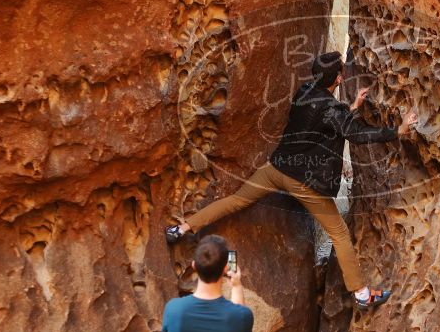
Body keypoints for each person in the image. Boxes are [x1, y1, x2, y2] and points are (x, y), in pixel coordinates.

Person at [165, 51, 418, 310]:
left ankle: (182, 228)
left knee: (237, 200)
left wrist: (351, 108)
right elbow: (355, 134)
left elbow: (328, 122)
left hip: (276, 169)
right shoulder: (333, 109)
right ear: (339, 79)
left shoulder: (303, 92)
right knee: (339, 234)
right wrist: (398, 130)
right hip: (304, 182)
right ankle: (362, 294)